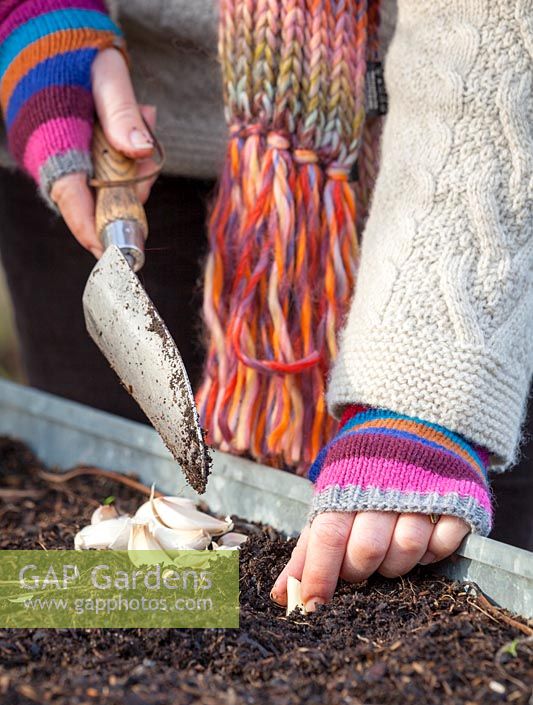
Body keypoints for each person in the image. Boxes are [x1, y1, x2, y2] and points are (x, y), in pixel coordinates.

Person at [0, 1, 531, 613]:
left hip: (447, 171)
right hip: (100, 120)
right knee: (88, 605)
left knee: (426, 580)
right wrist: (34, 15)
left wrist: (429, 385)